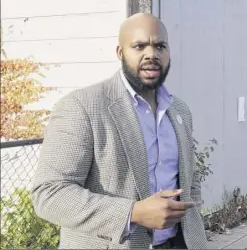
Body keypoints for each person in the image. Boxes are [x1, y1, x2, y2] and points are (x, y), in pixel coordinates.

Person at [32, 13, 208, 249]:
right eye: (139, 46)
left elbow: (190, 177)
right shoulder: (82, 106)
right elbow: (49, 194)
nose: (151, 54)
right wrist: (132, 213)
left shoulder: (179, 110)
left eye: (160, 46)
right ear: (120, 52)